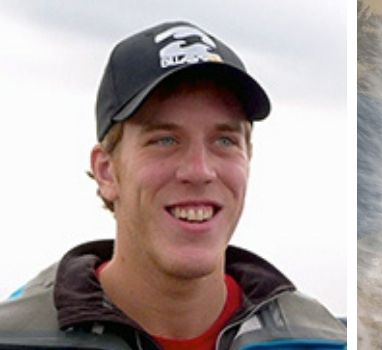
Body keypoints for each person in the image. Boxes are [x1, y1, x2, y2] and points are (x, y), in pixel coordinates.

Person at [0, 21, 347, 349]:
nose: (199, 171)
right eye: (165, 140)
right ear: (106, 172)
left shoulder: (326, 341)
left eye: (224, 141)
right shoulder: (17, 338)